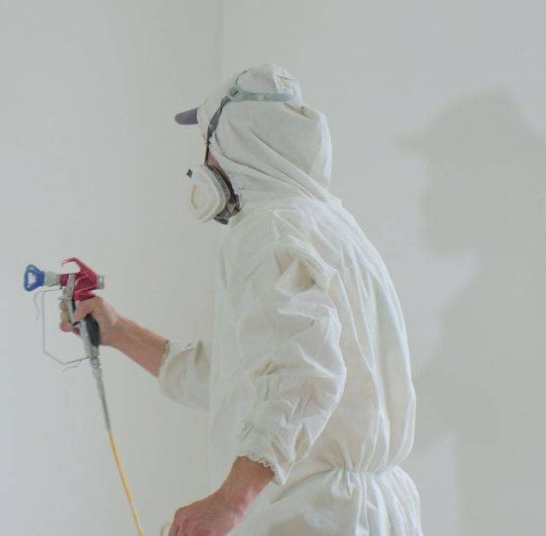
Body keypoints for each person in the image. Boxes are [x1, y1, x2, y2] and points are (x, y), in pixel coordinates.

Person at [59, 65, 422, 535]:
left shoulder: (265, 230)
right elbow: (243, 379)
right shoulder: (333, 227)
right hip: (375, 513)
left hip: (314, 515)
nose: (205, 163)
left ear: (229, 144)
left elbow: (303, 374)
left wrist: (231, 500)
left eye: (208, 148)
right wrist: (118, 332)